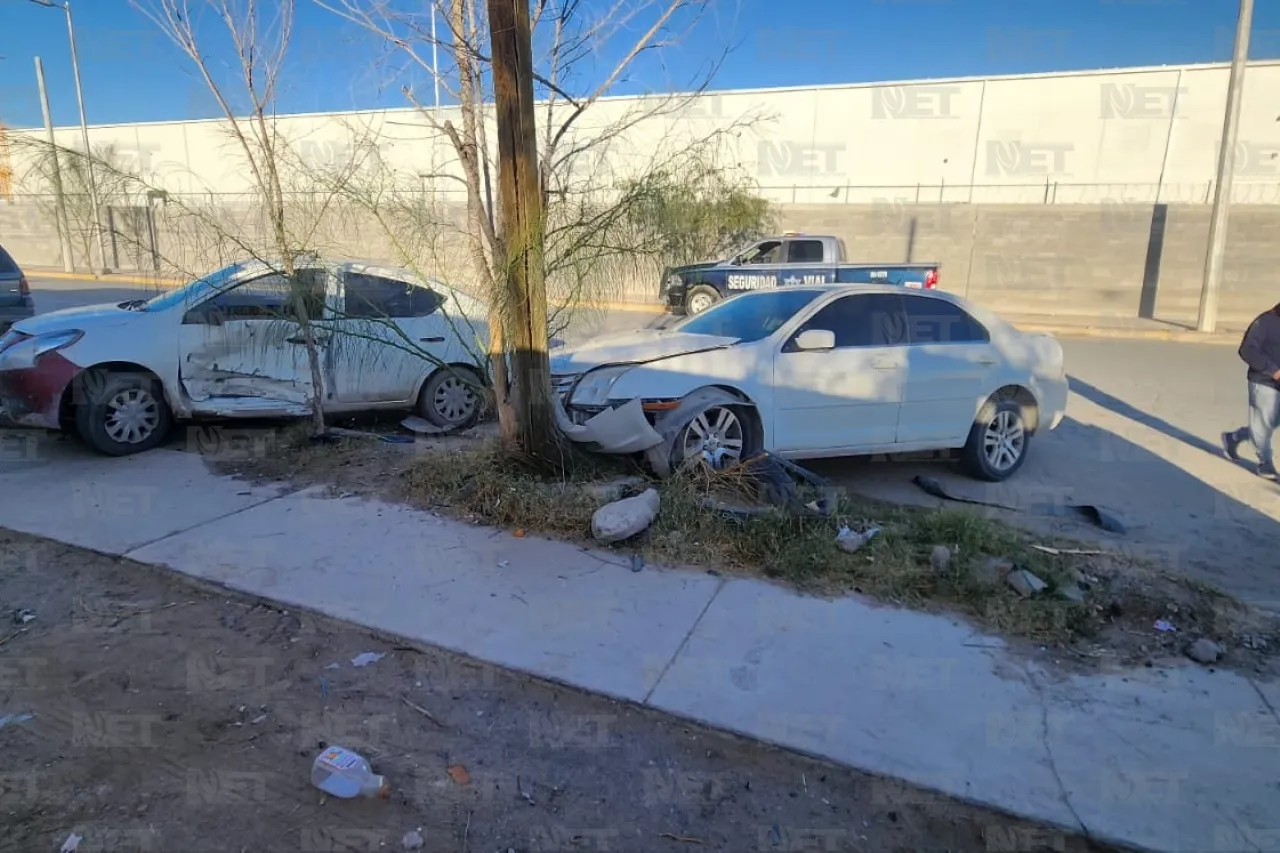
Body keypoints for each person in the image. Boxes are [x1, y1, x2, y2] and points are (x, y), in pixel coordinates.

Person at [1222, 302, 1280, 478]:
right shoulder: (1264, 322)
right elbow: (1246, 350)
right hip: (1263, 381)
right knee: (1263, 423)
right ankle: (1265, 463)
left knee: (1268, 423)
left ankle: (1234, 438)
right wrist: (1272, 370)